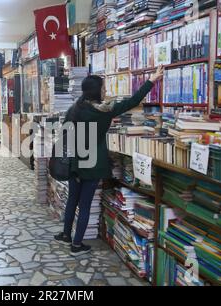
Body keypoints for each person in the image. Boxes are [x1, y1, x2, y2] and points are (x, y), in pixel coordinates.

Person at [54, 66, 164, 256]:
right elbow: (133, 101)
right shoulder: (104, 111)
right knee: (86, 204)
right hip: (92, 164)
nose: (105, 91)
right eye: (104, 88)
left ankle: (66, 234)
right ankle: (77, 244)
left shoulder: (75, 108)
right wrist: (152, 80)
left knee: (73, 198)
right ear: (97, 91)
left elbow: (66, 134)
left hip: (74, 162)